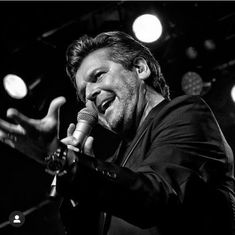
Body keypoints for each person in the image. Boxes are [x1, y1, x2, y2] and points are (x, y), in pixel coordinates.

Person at [0, 31, 234, 235]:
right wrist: (77, 187)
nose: (90, 94)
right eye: (83, 93)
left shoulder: (186, 113)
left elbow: (157, 196)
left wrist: (67, 161)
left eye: (98, 75)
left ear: (140, 69)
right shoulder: (111, 164)